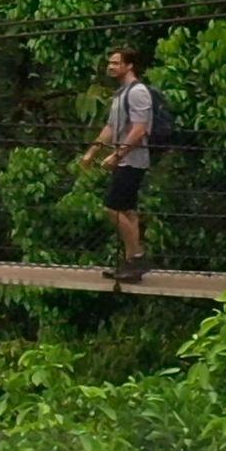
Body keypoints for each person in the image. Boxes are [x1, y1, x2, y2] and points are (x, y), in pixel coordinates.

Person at [78, 44, 156, 283]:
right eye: (110, 62)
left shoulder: (138, 92)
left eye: (115, 62)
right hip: (125, 159)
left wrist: (118, 155)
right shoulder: (120, 94)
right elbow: (111, 128)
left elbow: (140, 128)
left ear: (129, 65)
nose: (110, 67)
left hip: (133, 159)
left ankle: (137, 257)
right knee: (127, 210)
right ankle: (132, 260)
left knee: (114, 208)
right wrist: (93, 151)